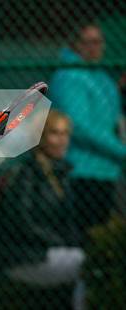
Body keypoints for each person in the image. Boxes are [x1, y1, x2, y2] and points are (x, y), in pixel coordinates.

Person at [0, 110, 84, 309]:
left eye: (65, 134)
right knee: (87, 266)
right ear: (41, 136)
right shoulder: (25, 173)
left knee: (92, 261)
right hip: (21, 257)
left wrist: (70, 243)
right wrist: (60, 243)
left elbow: (68, 223)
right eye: (55, 133)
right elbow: (22, 222)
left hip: (47, 251)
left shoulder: (61, 173)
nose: (62, 140)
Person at [49, 22, 126, 246]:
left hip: (107, 170)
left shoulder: (100, 76)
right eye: (88, 42)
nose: (95, 47)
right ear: (75, 45)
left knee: (103, 234)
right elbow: (79, 126)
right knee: (87, 236)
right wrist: (120, 151)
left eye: (98, 42)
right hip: (83, 170)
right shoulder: (69, 76)